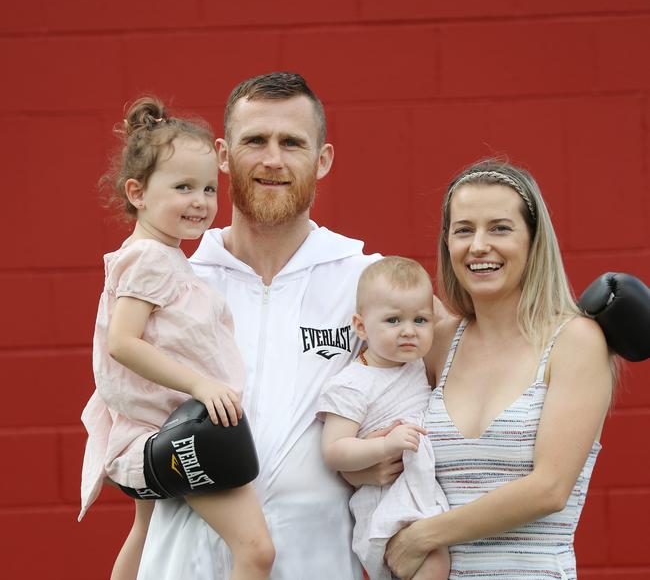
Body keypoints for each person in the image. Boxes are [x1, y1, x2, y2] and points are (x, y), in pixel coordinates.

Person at [136, 72, 391, 580]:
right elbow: (121, 409)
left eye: (292, 143)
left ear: (322, 160)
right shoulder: (173, 279)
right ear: (224, 155)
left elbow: (467, 348)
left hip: (316, 566)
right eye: (255, 141)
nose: (273, 160)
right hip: (184, 565)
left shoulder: (366, 281)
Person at [385, 159, 614, 580]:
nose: (478, 246)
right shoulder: (436, 344)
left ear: (533, 240)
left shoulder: (574, 341)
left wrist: (422, 537)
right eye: (464, 229)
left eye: (500, 228)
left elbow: (549, 489)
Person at [79, 98, 274, 580]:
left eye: (209, 188)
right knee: (256, 551)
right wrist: (201, 387)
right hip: (176, 425)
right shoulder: (149, 258)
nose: (200, 201)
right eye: (183, 187)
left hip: (156, 422)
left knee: (145, 535)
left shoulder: (161, 255)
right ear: (137, 193)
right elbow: (122, 343)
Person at [318, 256, 450, 580]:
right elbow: (334, 450)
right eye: (393, 321)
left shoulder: (417, 366)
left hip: (421, 490)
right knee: (433, 564)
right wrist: (385, 446)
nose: (409, 331)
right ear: (361, 326)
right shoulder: (352, 383)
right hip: (387, 499)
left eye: (421, 320)